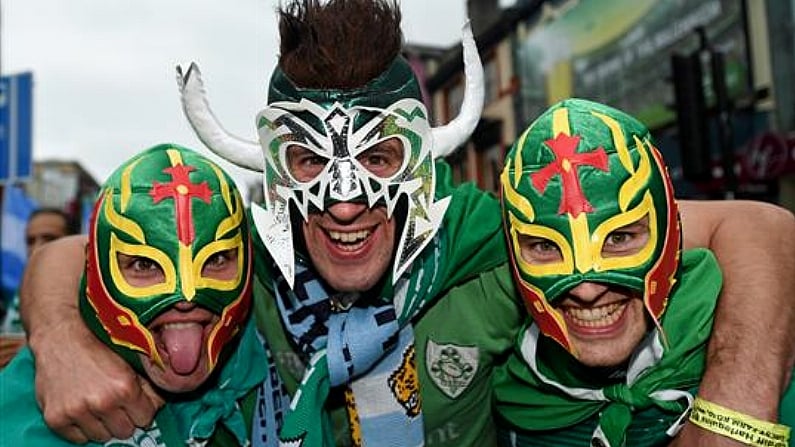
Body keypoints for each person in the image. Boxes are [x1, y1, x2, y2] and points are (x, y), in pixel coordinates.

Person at [18, 1, 795, 446]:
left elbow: (759, 227)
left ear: (422, 156)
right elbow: (69, 257)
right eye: (313, 161)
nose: (347, 200)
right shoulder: (233, 254)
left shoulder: (497, 232)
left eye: (380, 154)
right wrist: (59, 341)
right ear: (273, 161)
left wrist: (733, 413)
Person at [492, 98, 794, 446]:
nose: (587, 291)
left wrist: (734, 413)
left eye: (619, 237)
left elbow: (762, 224)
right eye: (545, 247)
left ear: (670, 234)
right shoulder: (513, 401)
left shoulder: (760, 350)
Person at [0, 143, 262, 446]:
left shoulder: (269, 318)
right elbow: (60, 253)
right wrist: (60, 338)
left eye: (216, 259)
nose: (187, 294)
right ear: (93, 269)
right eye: (144, 264)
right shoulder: (26, 424)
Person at [0, 207, 79, 367]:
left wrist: (29, 349)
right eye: (30, 241)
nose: (37, 248)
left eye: (48, 239)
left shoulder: (89, 293)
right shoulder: (22, 289)